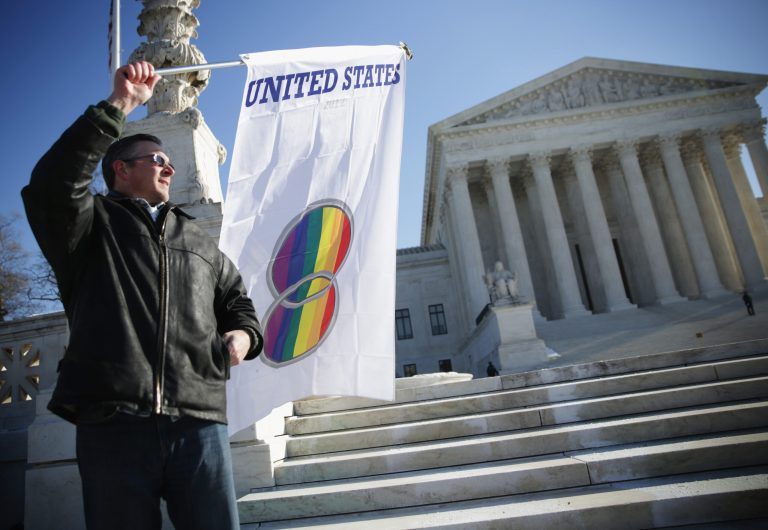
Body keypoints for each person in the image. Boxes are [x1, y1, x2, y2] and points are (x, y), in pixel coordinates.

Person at [22, 61, 263, 530]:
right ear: (121, 170)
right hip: (113, 422)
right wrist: (119, 105)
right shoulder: (87, 227)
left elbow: (238, 302)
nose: (170, 167)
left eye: (169, 161)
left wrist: (242, 336)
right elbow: (50, 187)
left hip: (198, 419)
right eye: (157, 159)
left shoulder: (197, 240)